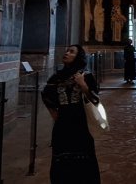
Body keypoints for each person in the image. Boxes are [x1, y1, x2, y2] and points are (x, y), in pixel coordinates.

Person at [41, 44, 101, 184]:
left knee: (83, 160)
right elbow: (46, 96)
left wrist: (83, 84)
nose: (66, 53)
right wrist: (55, 115)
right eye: (67, 51)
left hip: (81, 123)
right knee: (61, 160)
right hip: (62, 125)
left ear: (78, 56)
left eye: (71, 52)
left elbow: (95, 99)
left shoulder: (86, 75)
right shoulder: (57, 77)